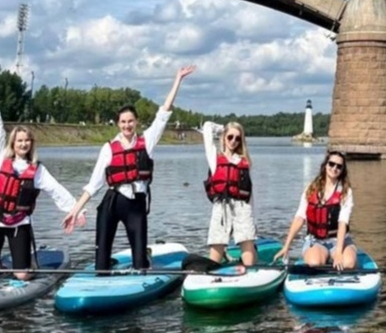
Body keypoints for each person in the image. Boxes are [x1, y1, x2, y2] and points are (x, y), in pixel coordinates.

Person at [63, 65, 195, 271]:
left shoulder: (147, 141)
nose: (127, 125)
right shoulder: (108, 148)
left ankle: (143, 257)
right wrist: (75, 211)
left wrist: (178, 79)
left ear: (136, 122)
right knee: (101, 264)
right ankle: (104, 267)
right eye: (123, 122)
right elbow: (93, 185)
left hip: (136, 205)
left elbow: (163, 114)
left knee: (139, 265)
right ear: (118, 123)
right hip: (112, 203)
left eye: (130, 121)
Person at [0, 81, 83, 281]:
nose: (23, 144)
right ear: (13, 143)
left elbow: (56, 190)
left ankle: (27, 265)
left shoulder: (37, 170)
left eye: (27, 140)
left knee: (22, 275)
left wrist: (76, 210)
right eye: (19, 140)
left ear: (32, 143)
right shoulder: (1, 158)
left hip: (19, 223)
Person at [277, 153, 357, 270]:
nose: (334, 168)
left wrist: (339, 252)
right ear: (325, 165)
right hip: (316, 240)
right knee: (314, 263)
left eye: (339, 166)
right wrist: (286, 246)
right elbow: (300, 217)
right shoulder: (311, 189)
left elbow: (342, 222)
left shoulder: (345, 192)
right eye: (331, 164)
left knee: (348, 264)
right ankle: (324, 255)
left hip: (339, 240)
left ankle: (338, 255)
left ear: (342, 170)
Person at [200, 119, 258, 266]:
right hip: (221, 206)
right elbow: (207, 127)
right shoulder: (214, 158)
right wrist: (223, 129)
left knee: (247, 240)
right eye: (230, 137)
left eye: (238, 138)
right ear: (224, 138)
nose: (233, 141)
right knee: (217, 242)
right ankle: (212, 272)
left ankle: (250, 270)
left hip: (242, 206)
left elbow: (249, 191)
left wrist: (251, 216)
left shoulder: (244, 162)